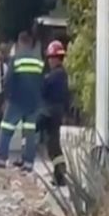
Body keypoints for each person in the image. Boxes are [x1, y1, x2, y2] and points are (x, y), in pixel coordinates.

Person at [0, 31, 45, 172]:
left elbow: (9, 80)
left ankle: (1, 158)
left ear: (20, 43)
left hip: (17, 100)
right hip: (34, 102)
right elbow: (42, 82)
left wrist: (7, 98)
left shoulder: (16, 59)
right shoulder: (39, 61)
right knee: (30, 132)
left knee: (6, 128)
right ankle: (28, 162)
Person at [40, 40, 69, 186]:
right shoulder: (61, 74)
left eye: (51, 58)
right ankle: (59, 175)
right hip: (56, 112)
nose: (50, 61)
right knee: (53, 145)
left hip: (52, 112)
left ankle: (60, 175)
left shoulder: (56, 75)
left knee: (53, 146)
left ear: (56, 58)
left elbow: (43, 88)